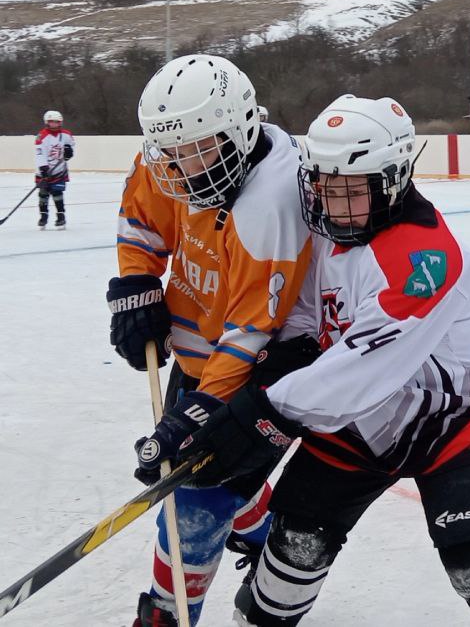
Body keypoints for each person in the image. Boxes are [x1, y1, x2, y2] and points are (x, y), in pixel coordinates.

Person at [182, 95, 470, 627]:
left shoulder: (428, 257)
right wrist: (253, 386)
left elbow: (361, 370)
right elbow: (304, 324)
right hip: (354, 428)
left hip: (453, 421)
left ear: (395, 179)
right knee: (294, 547)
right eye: (324, 187)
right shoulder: (326, 236)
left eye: (353, 190)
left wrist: (261, 415)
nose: (334, 204)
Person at [107, 54, 314, 626]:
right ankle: (263, 528)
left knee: (194, 498)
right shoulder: (174, 152)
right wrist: (136, 287)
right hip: (201, 356)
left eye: (193, 149)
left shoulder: (272, 203)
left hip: (265, 369)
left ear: (238, 130)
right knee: (218, 478)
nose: (175, 166)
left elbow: (252, 332)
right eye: (167, 152)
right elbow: (142, 220)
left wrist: (199, 413)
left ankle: (166, 614)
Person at [34, 109, 75, 229]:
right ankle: (43, 216)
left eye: (57, 122)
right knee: (43, 194)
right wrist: (43, 169)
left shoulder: (66, 134)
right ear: (47, 122)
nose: (54, 125)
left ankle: (61, 216)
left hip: (59, 170)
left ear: (60, 123)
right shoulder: (42, 136)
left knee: (57, 193)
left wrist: (69, 152)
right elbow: (39, 154)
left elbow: (71, 146)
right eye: (52, 122)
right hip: (44, 171)